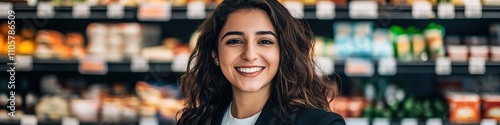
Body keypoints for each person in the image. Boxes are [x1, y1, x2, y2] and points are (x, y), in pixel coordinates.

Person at [177, 0, 345, 124]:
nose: (250, 55)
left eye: (265, 41)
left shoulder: (321, 123)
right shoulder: (192, 121)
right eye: (235, 41)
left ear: (283, 52)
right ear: (215, 54)